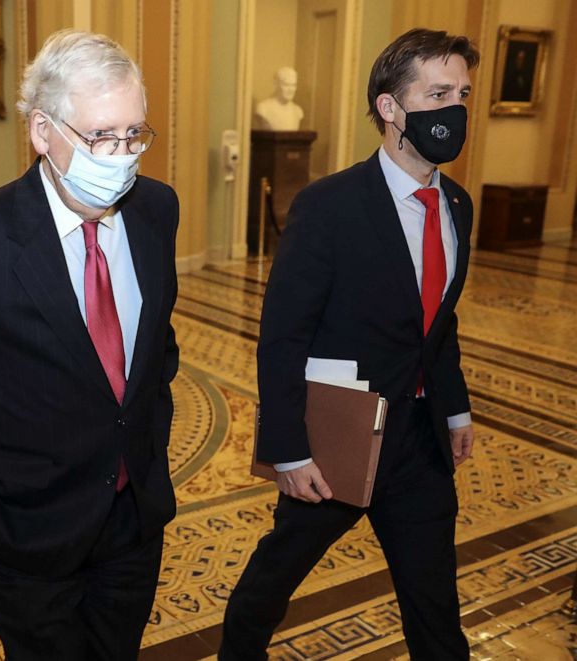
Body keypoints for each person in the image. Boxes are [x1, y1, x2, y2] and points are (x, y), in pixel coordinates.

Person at [0, 30, 179, 660]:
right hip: (22, 529)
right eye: (101, 135)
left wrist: (149, 443)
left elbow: (158, 342)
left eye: (135, 134)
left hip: (134, 519)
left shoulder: (157, 209)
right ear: (43, 132)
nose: (123, 154)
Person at [220, 28, 479, 660]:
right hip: (340, 435)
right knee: (273, 580)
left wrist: (456, 406)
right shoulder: (328, 206)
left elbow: (437, 324)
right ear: (390, 107)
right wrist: (286, 448)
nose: (455, 108)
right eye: (438, 92)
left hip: (419, 443)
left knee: (435, 607)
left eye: (464, 93)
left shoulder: (458, 206)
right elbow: (283, 336)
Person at [254, 67, 304, 131]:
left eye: (293, 85)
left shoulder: (298, 111)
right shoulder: (263, 108)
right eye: (286, 85)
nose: (291, 90)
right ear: (276, 85)